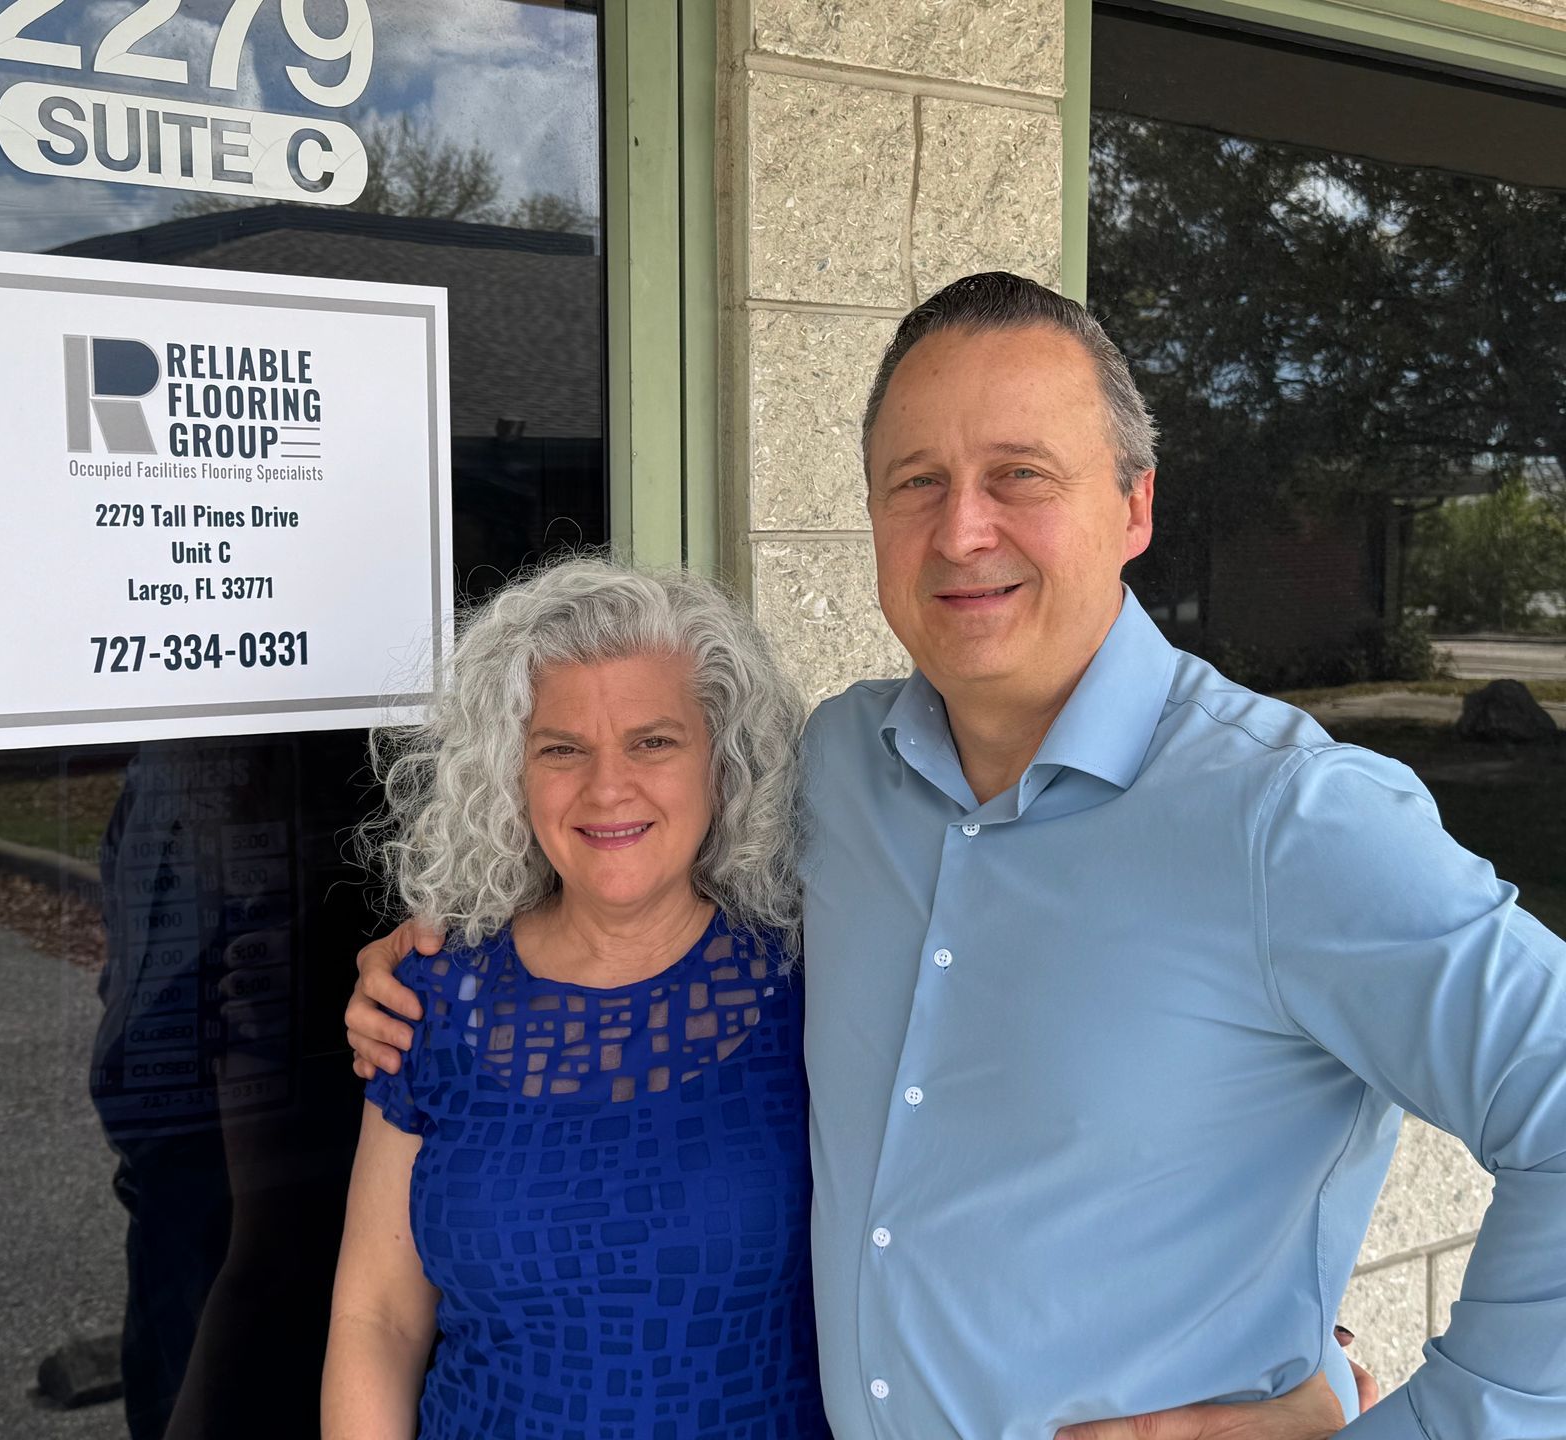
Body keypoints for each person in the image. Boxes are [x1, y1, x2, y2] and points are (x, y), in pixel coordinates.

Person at [350, 273, 1566, 1438]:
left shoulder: (1289, 821)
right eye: (915, 481)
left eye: (1019, 475)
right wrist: (432, 964)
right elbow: (626, 875)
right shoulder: (832, 771)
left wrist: (1405, 1420)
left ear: (1135, 507)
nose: (962, 529)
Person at [322, 560, 828, 1438]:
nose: (607, 787)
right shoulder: (432, 1000)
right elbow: (378, 1321)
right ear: (509, 773)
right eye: (562, 748)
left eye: (653, 741)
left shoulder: (813, 989)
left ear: (725, 761)